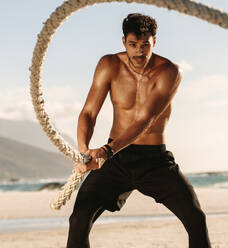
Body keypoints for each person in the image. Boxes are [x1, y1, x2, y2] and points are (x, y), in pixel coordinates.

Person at [67, 13, 211, 248]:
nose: (139, 52)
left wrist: (105, 151)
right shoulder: (109, 65)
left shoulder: (169, 71)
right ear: (124, 41)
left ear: (155, 42)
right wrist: (84, 152)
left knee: (195, 218)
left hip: (153, 160)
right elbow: (88, 113)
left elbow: (146, 119)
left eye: (145, 45)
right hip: (116, 159)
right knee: (79, 218)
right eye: (133, 45)